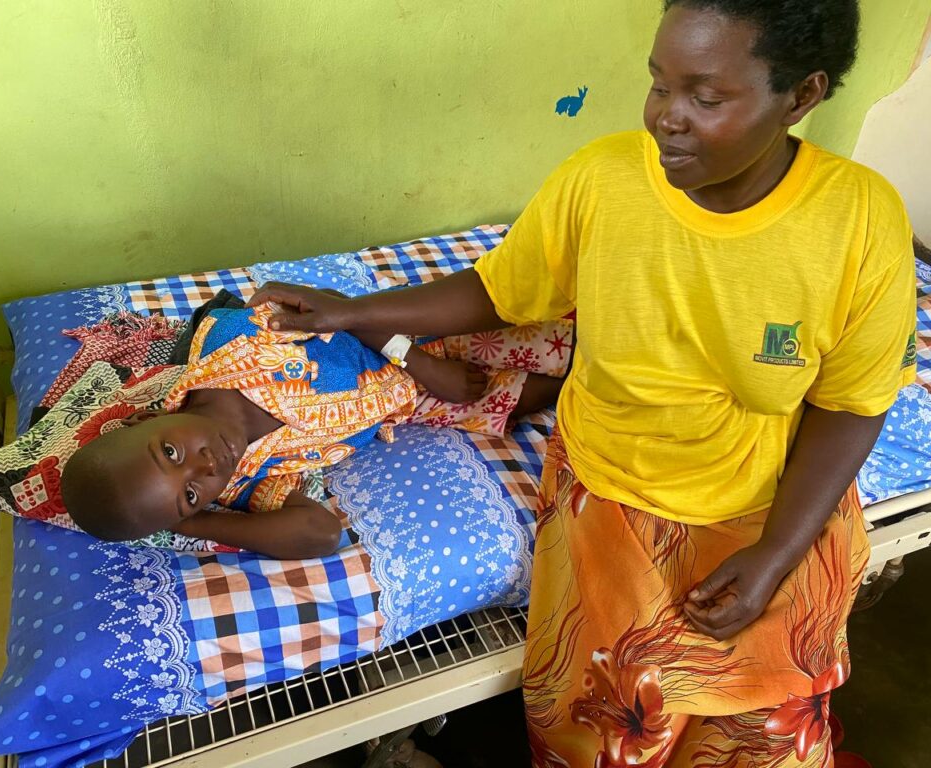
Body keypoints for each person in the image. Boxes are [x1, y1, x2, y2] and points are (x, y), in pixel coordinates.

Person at [245, 0, 917, 762]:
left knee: (764, 740)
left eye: (706, 96)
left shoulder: (859, 223)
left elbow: (852, 406)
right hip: (614, 494)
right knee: (604, 735)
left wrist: (773, 557)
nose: (667, 117)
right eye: (659, 84)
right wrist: (353, 311)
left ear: (800, 95)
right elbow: (500, 291)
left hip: (773, 505)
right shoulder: (603, 182)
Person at [61, 293, 563, 559]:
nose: (204, 466)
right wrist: (192, 523)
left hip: (405, 335)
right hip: (413, 404)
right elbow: (321, 535)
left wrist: (424, 363)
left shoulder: (232, 344)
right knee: (547, 391)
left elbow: (337, 309)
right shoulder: (248, 480)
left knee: (554, 335)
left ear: (151, 417)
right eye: (191, 494)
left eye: (170, 453)